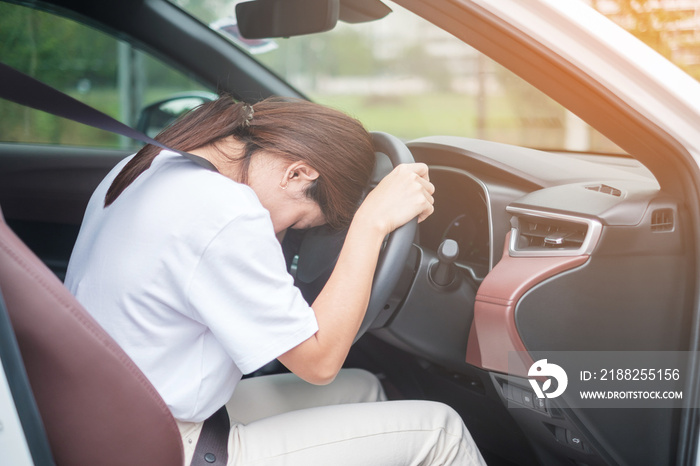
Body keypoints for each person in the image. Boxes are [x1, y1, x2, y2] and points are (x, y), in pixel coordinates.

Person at [65, 95, 486, 466]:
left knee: (363, 387)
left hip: (107, 420)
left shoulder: (151, 164)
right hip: (163, 445)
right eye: (300, 221)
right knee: (442, 433)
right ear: (298, 174)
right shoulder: (226, 213)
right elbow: (318, 364)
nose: (281, 237)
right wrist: (371, 224)